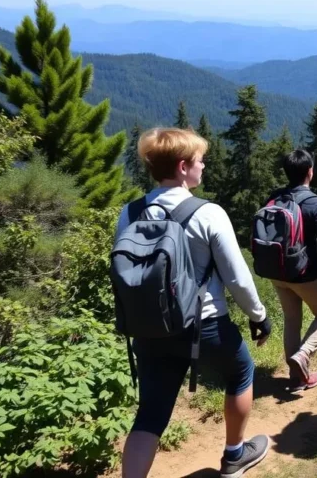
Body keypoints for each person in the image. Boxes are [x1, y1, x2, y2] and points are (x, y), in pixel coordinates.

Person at [118, 128, 272, 478]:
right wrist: (258, 315)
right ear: (183, 166)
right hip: (204, 326)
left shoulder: (130, 213)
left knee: (150, 415)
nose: (204, 166)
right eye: (200, 161)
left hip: (149, 330)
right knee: (241, 372)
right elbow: (237, 277)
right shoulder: (207, 213)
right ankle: (234, 456)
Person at [266, 149, 317, 391]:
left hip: (277, 272)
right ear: (310, 172)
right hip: (305, 273)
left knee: (292, 319)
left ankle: (296, 379)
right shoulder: (315, 204)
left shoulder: (274, 198)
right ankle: (304, 354)